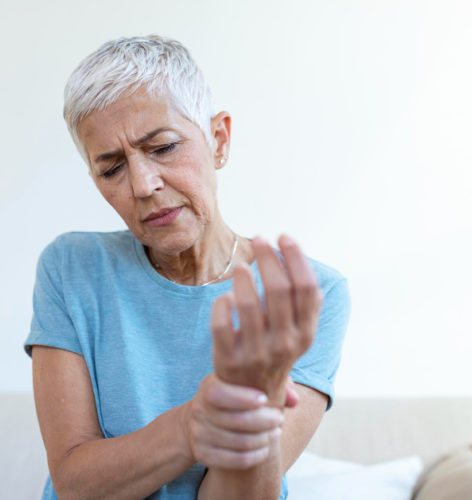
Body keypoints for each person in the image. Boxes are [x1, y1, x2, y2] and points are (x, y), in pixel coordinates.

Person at [23, 35, 351, 500]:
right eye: (112, 168)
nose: (143, 184)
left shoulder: (312, 294)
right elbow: (75, 483)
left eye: (163, 147)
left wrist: (254, 403)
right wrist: (191, 426)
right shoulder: (71, 269)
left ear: (218, 140)